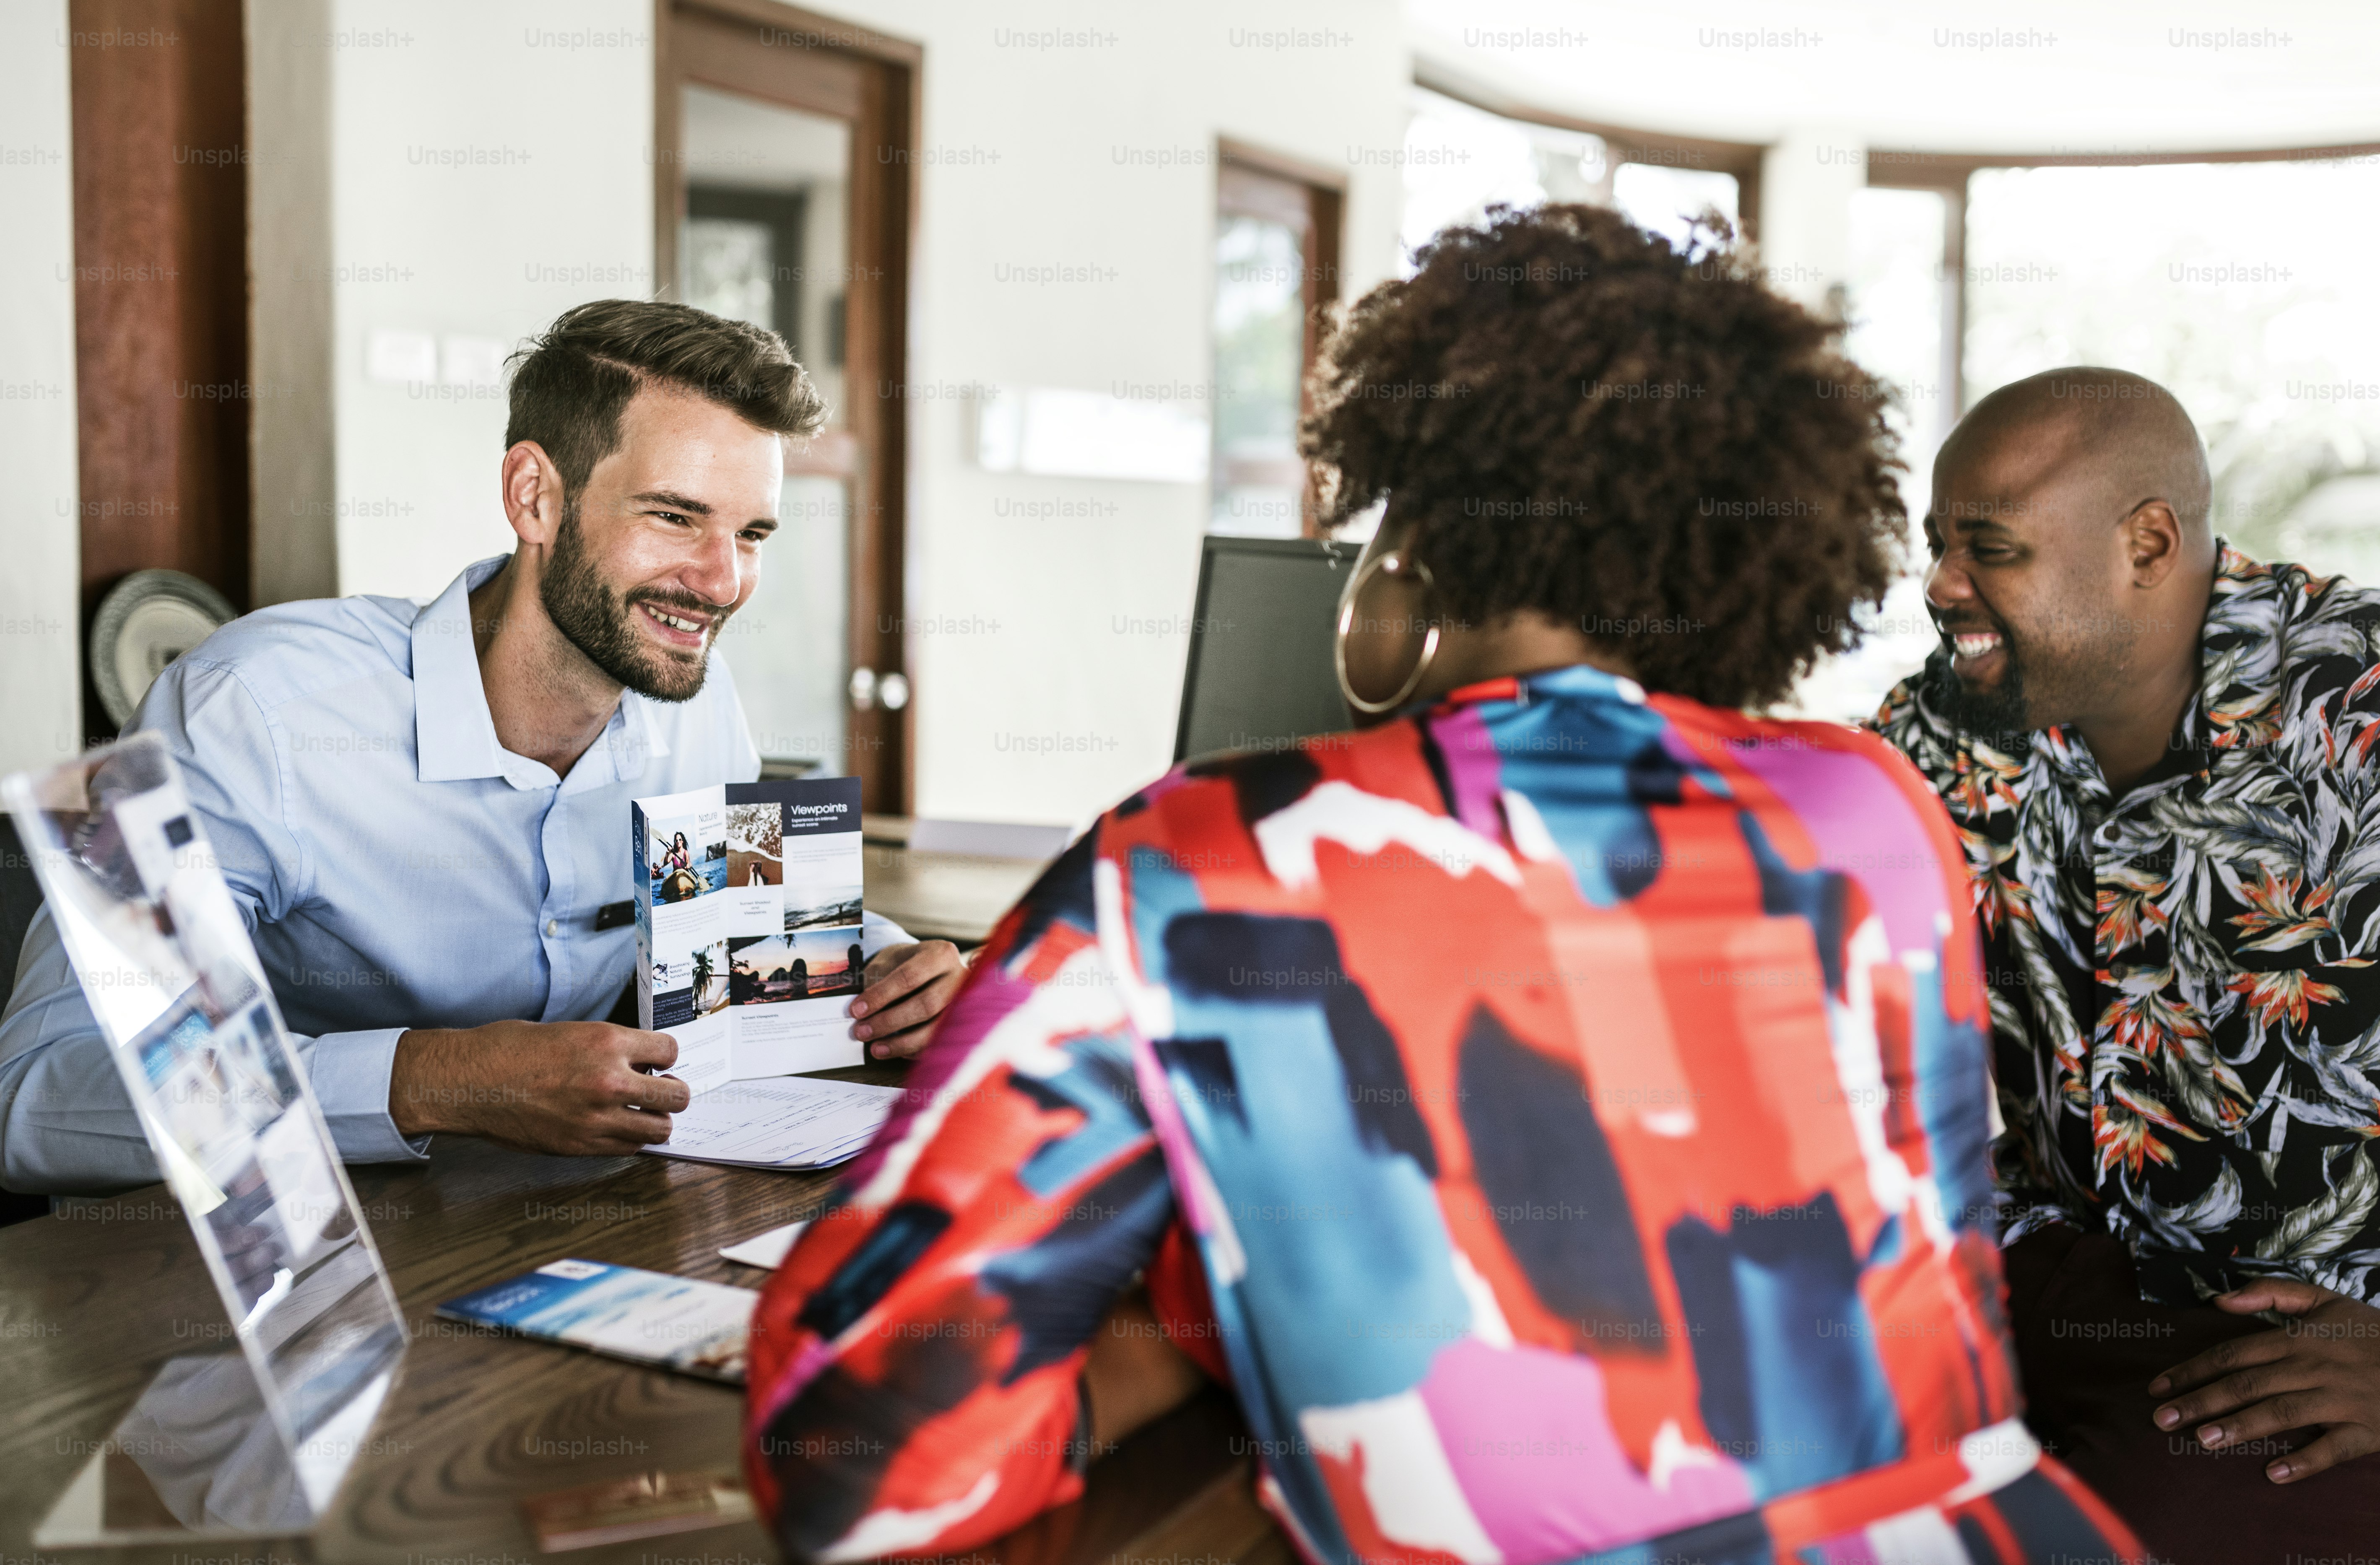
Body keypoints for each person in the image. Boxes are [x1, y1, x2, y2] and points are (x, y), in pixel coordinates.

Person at [741, 207, 2139, 1565]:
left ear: (1403, 553)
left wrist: (1190, 1308)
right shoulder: (1872, 812)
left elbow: (850, 1461)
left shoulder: (1198, 858)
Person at [0, 300, 964, 1194]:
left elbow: (744, 949)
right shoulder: (251, 709)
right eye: (674, 516)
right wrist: (439, 1077)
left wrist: (882, 971)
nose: (721, 581)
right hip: (270, 1283)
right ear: (535, 497)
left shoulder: (694, 699)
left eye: (751, 532)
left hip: (581, 1238)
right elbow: (39, 1093)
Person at [1873, 367, 2380, 1559]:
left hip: (2305, 1326)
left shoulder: (2354, 714)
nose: (1941, 586)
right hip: (2021, 1278)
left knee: (2106, 1537)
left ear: (2146, 543)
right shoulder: (1934, 734)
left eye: (1986, 548)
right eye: (1937, 543)